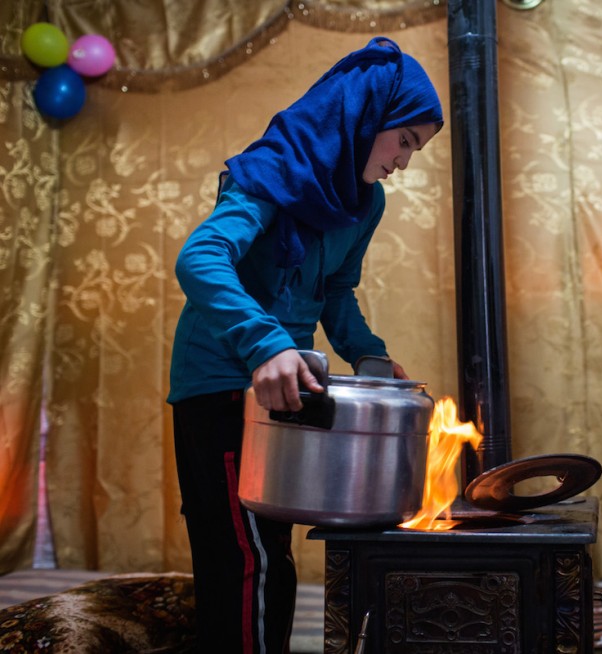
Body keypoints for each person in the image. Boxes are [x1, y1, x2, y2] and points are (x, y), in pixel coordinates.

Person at [167, 37, 443, 652]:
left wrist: (367, 354)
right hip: (222, 384)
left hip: (287, 388)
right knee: (242, 558)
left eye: (415, 150)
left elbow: (335, 290)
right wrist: (266, 345)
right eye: (404, 141)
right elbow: (201, 258)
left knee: (272, 553)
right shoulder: (269, 174)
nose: (404, 161)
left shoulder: (364, 200)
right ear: (367, 116)